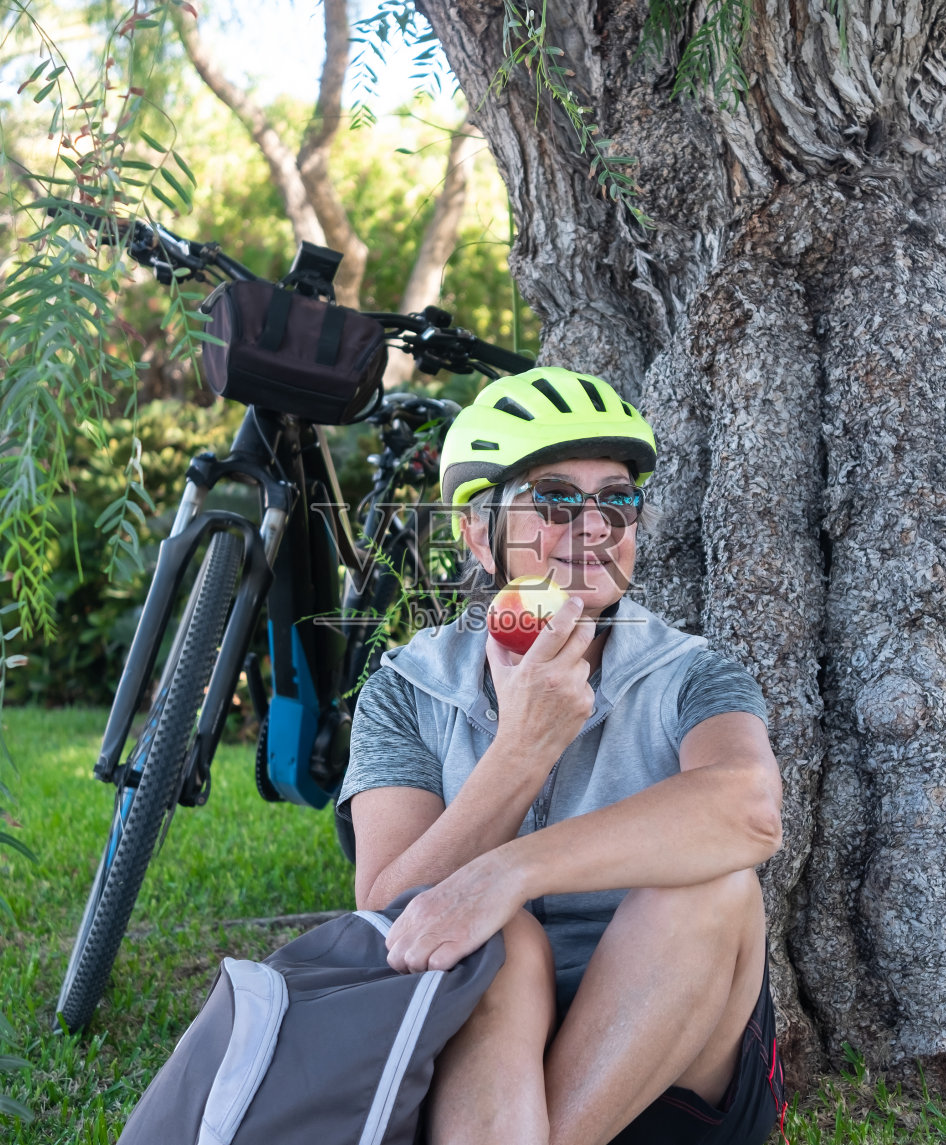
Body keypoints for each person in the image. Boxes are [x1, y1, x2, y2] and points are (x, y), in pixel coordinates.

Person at [336, 367, 786, 1145]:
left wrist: (508, 870)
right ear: (479, 532)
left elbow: (748, 807)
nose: (596, 526)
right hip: (484, 1057)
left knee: (711, 885)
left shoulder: (693, 672)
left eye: (617, 498)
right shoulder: (407, 689)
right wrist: (520, 750)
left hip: (668, 1049)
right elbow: (386, 913)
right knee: (504, 941)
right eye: (555, 499)